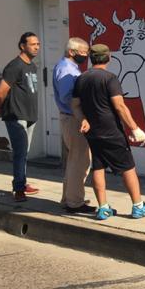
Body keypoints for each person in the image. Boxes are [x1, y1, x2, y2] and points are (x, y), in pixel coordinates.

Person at [72, 44, 145, 220]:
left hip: (92, 132)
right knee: (128, 167)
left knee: (98, 167)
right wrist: (135, 128)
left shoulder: (81, 78)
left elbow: (75, 105)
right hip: (111, 130)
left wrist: (83, 119)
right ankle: (138, 206)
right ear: (109, 58)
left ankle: (103, 208)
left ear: (91, 58)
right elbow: (120, 106)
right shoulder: (110, 78)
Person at [0, 32, 41, 202]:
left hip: (29, 115)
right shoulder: (15, 66)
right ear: (22, 46)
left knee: (24, 152)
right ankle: (19, 189)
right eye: (32, 44)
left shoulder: (32, 66)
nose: (36, 47)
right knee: (20, 153)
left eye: (38, 44)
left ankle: (22, 183)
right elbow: (0, 92)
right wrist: (1, 110)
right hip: (16, 115)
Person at [53, 37, 93, 213]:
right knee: (81, 161)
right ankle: (75, 202)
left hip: (71, 118)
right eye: (83, 53)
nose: (85, 56)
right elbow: (67, 97)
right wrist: (83, 114)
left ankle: (69, 198)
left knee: (74, 160)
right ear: (72, 52)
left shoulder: (68, 67)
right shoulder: (66, 70)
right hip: (74, 119)